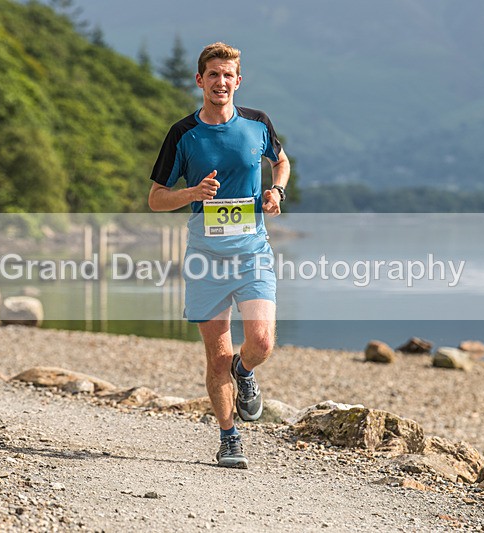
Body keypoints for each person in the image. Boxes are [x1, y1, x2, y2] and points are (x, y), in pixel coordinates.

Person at [148, 42, 290, 469]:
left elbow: (281, 162)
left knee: (261, 342)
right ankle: (229, 437)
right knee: (217, 357)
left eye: (228, 75)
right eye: (213, 75)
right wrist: (192, 193)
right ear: (200, 81)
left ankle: (245, 374)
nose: (221, 82)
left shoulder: (258, 124)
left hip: (252, 253)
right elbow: (155, 200)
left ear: (238, 81)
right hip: (206, 257)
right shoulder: (182, 134)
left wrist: (276, 191)